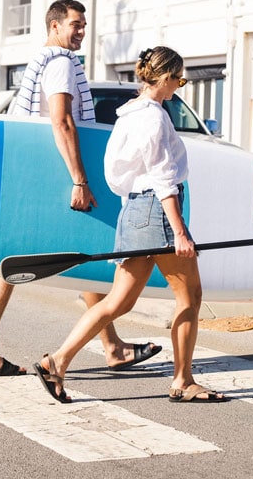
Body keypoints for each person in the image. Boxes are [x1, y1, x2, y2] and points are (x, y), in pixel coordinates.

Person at [0, 0, 161, 377]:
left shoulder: (43, 61)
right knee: (80, 253)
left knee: (30, 260)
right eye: (75, 24)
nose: (81, 31)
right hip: (56, 177)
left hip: (33, 177)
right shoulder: (59, 64)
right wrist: (80, 179)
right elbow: (63, 122)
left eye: (84, 25)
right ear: (54, 26)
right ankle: (106, 347)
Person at [33, 46, 228, 403]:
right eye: (179, 80)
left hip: (136, 210)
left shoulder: (127, 115)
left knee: (118, 302)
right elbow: (163, 179)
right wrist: (180, 232)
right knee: (190, 295)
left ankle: (56, 361)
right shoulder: (154, 117)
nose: (179, 87)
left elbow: (116, 176)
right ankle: (183, 381)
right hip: (158, 210)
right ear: (166, 78)